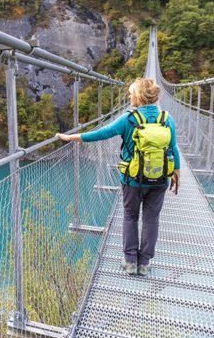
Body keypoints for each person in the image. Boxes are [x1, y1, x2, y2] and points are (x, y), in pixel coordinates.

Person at [56, 78, 180, 277]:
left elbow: (102, 134)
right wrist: (177, 172)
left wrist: (72, 138)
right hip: (160, 179)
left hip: (132, 180)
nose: (129, 96)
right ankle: (145, 264)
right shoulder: (167, 118)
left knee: (130, 216)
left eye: (131, 93)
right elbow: (173, 148)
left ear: (139, 96)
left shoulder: (128, 119)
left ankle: (130, 262)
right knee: (151, 219)